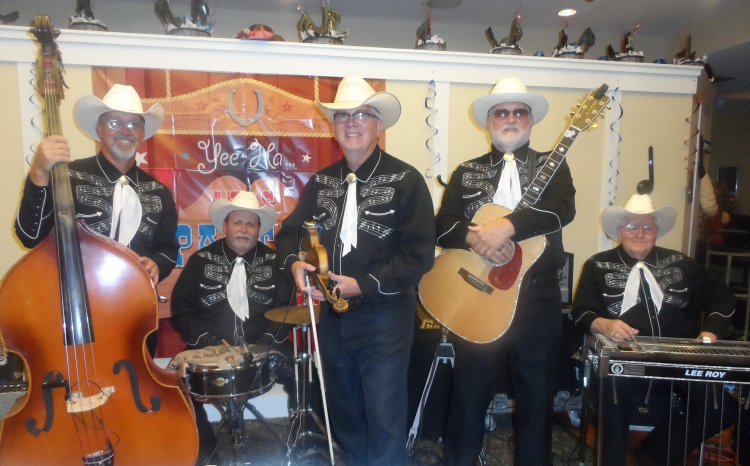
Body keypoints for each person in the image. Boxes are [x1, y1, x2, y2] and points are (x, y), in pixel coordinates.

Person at [275, 76, 435, 465]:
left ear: (378, 125)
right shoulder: (321, 182)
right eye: (343, 115)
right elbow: (290, 235)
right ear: (334, 126)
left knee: (384, 416)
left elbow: (419, 255)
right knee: (344, 413)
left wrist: (363, 285)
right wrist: (295, 264)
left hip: (384, 318)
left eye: (361, 115)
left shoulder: (407, 180)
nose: (351, 123)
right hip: (332, 319)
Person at [436, 77, 576, 466]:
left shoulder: (553, 165)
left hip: (538, 296)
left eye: (519, 112)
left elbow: (563, 210)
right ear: (489, 122)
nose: (510, 118)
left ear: (530, 120)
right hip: (479, 294)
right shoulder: (466, 171)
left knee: (537, 398)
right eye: (501, 112)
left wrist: (509, 226)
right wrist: (476, 238)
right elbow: (442, 225)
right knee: (468, 393)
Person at [572, 193, 746, 466]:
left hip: (679, 359)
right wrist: (604, 324)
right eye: (632, 226)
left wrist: (710, 334)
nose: (640, 233)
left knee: (722, 408)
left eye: (647, 227)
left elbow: (722, 298)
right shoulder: (596, 265)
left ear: (656, 231)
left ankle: (657, 450)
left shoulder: (683, 264)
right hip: (621, 360)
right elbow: (581, 311)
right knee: (613, 403)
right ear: (619, 230)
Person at [15, 83, 179, 354]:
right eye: (115, 122)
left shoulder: (159, 192)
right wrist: (39, 174)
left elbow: (168, 249)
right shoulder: (67, 177)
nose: (125, 130)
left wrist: (157, 264)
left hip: (136, 316)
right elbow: (30, 237)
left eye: (133, 124)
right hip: (72, 315)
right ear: (99, 129)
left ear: (142, 133)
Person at [171, 191, 294, 465]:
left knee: (304, 373)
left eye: (250, 224)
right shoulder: (200, 260)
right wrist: (208, 342)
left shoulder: (277, 262)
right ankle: (206, 450)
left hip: (265, 345)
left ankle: (303, 440)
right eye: (237, 222)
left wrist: (265, 342)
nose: (244, 229)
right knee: (176, 385)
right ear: (225, 226)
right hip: (209, 346)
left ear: (259, 229)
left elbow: (287, 308)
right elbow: (181, 309)